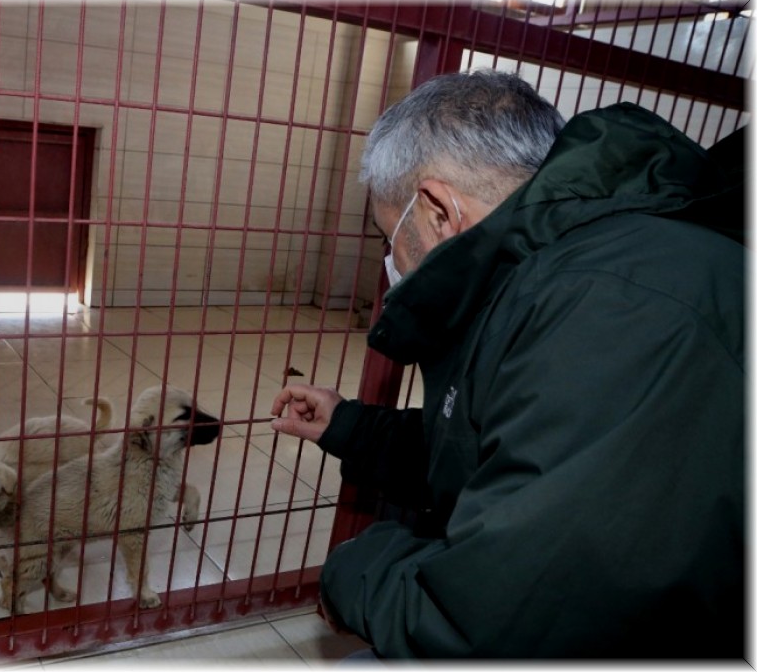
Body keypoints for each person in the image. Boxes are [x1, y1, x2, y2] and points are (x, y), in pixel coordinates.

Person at [269, 70, 745, 658]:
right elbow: (503, 448)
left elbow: (490, 624)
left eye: (385, 235)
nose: (387, 259)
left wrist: (351, 570)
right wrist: (351, 427)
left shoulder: (608, 308)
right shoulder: (544, 278)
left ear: (438, 211)